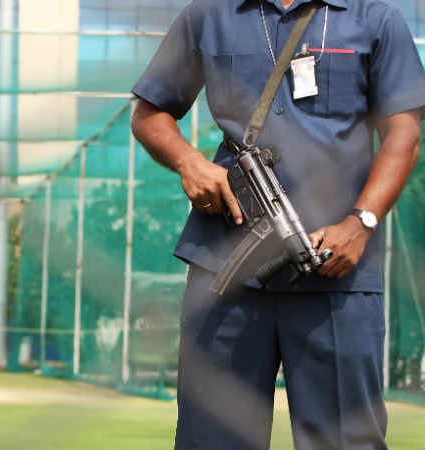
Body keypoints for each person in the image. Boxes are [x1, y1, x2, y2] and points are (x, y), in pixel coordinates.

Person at [131, 1, 425, 449]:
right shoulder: (209, 15)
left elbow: (403, 136)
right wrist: (189, 162)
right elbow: (149, 113)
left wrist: (361, 222)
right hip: (226, 266)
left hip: (335, 270)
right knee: (211, 439)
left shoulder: (374, 19)